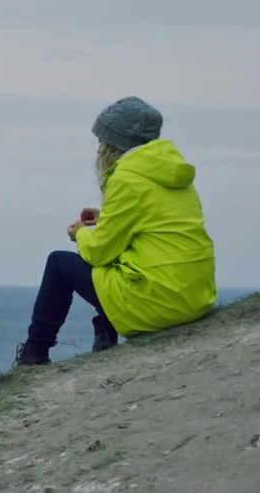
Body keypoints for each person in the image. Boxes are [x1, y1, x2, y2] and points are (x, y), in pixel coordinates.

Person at [13, 96, 216, 366]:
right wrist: (105, 217)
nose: (98, 151)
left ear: (114, 144)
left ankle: (34, 354)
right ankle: (104, 335)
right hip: (195, 297)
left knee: (59, 263)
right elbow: (152, 225)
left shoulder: (126, 179)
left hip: (161, 304)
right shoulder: (175, 175)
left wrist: (80, 234)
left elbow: (99, 252)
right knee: (119, 262)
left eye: (101, 141)